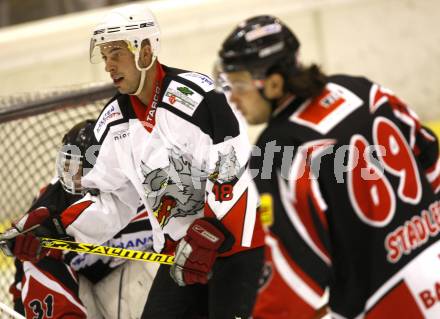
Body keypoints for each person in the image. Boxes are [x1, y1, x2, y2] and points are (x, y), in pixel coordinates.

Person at [3, 4, 265, 318]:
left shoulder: (196, 98)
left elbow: (230, 168)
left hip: (234, 248)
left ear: (144, 50)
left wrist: (210, 232)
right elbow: (112, 199)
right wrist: (54, 230)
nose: (108, 66)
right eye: (104, 56)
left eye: (116, 53)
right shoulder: (114, 122)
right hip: (178, 255)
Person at [217, 15, 440, 319]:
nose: (234, 96)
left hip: (385, 304)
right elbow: (430, 157)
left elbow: (294, 269)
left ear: (273, 82)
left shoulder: (277, 148)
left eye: (239, 83)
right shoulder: (363, 90)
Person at [2, 120, 157, 319]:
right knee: (39, 262)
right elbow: (26, 277)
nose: (73, 179)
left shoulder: (146, 190)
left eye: (82, 170)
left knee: (164, 266)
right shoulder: (47, 206)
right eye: (69, 167)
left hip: (131, 292)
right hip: (84, 299)